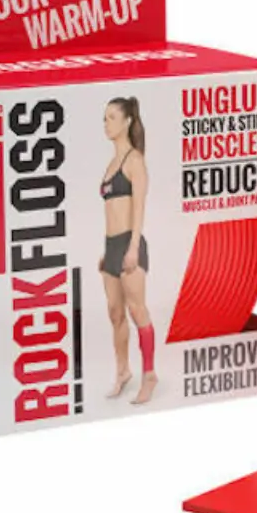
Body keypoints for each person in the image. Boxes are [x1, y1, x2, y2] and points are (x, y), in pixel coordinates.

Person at [98, 96, 156, 404]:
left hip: (128, 244)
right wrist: (106, 253)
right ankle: (122, 371)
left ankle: (150, 375)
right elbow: (111, 212)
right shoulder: (110, 165)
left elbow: (138, 208)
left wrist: (132, 247)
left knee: (137, 310)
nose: (105, 123)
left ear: (127, 121)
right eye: (104, 118)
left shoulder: (134, 161)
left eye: (111, 117)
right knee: (115, 313)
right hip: (111, 247)